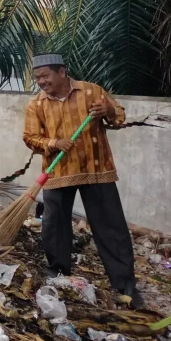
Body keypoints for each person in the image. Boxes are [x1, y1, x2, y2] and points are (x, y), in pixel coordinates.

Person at [23, 54, 142, 308]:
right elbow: (30, 137)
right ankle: (58, 274)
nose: (41, 82)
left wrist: (108, 111)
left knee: (111, 227)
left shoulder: (91, 92)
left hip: (96, 169)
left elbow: (119, 117)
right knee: (54, 225)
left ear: (62, 72)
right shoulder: (36, 104)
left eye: (45, 76)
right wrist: (54, 143)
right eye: (37, 78)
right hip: (58, 171)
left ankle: (126, 285)